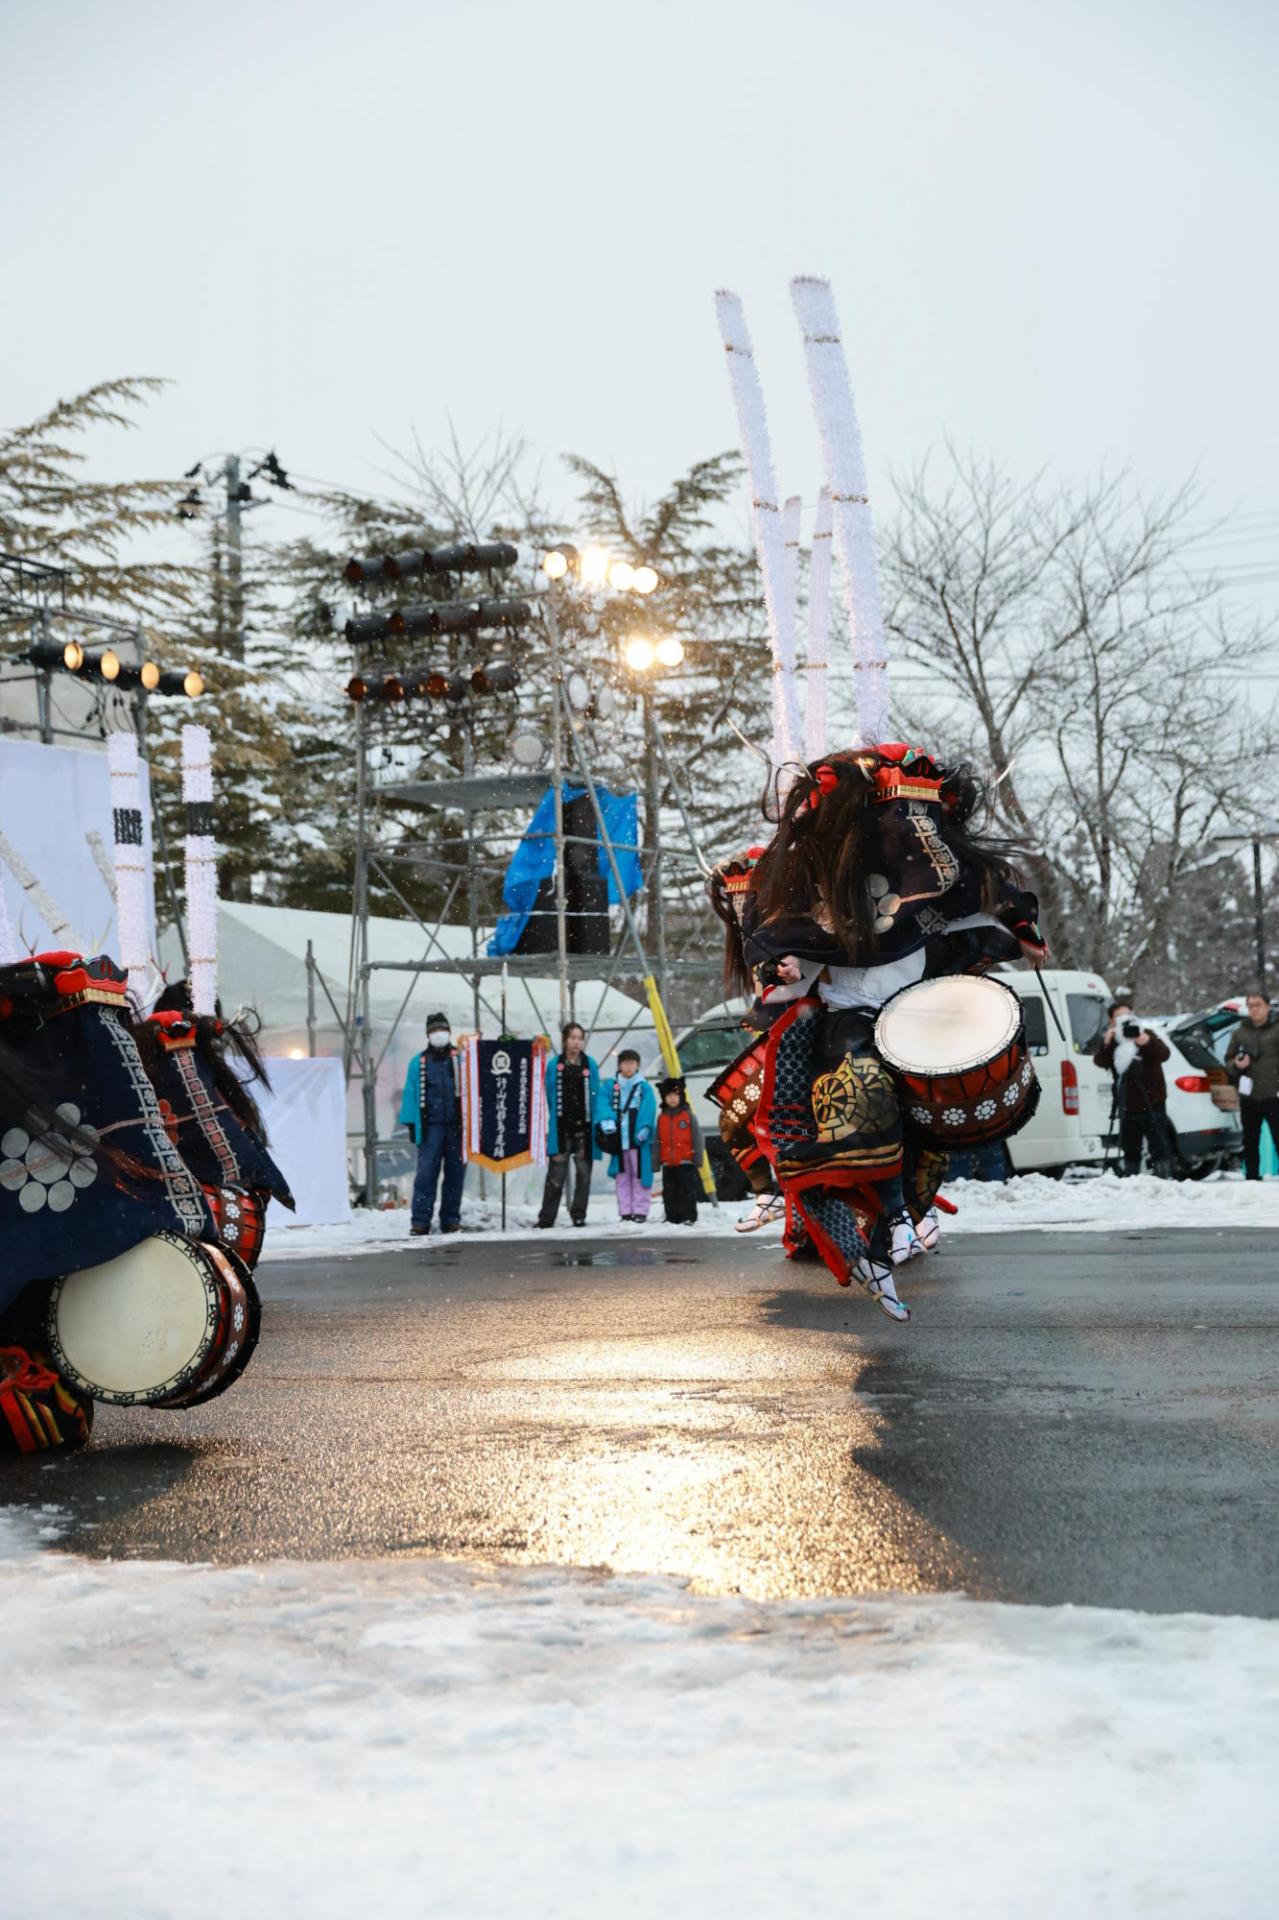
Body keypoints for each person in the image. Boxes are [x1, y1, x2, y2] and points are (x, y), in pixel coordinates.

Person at [744, 745, 1047, 1321]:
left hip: (915, 1016)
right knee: (866, 1098)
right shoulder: (817, 912)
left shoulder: (928, 899)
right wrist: (779, 973)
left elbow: (987, 905)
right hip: (848, 1024)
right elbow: (789, 969)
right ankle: (888, 1225)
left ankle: (903, 1219)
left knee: (925, 1130)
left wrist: (1022, 932)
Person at [1092, 1001, 1177, 1178]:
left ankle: (1163, 1179)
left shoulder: (1146, 1034)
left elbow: (1165, 1054)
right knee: (1130, 1147)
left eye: (1127, 1015)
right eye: (1119, 1017)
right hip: (1128, 1103)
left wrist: (1146, 1041)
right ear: (1112, 1021)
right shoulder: (1114, 1040)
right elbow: (1100, 1061)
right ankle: (1132, 1181)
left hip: (1153, 1100)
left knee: (1158, 1145)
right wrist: (1107, 1041)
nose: (1125, 1020)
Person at [398, 1012, 464, 1235]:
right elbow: (410, 1094)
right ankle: (420, 1220)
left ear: (449, 1032)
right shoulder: (418, 1062)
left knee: (455, 1174)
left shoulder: (461, 1059)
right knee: (426, 1174)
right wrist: (411, 1123)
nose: (439, 1035)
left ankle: (451, 1219)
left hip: (457, 1127)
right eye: (435, 1031)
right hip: (431, 1127)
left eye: (443, 1030)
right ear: (428, 1034)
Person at [537, 1022, 601, 1228]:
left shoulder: (589, 1064)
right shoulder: (555, 1064)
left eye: (580, 1038)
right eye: (573, 1037)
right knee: (556, 1175)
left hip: (584, 1126)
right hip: (562, 1127)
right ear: (565, 1040)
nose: (576, 1042)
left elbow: (595, 1092)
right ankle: (547, 1218)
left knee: (584, 1174)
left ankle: (579, 1214)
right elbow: (550, 1093)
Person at [596, 1049, 657, 1221]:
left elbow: (649, 1107)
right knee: (622, 1176)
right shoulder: (610, 1085)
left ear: (637, 1065)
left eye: (632, 1063)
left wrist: (645, 1128)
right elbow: (602, 1102)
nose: (628, 1067)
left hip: (637, 1136)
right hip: (618, 1137)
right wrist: (606, 1120)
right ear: (619, 1065)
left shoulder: (643, 1086)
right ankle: (625, 1211)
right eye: (625, 1063)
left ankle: (640, 1211)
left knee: (639, 1174)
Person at [1225, 990, 1279, 1181]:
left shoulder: (1276, 1028)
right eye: (1250, 1005)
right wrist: (1237, 1064)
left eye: (1258, 1005)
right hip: (1249, 1094)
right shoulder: (1240, 1032)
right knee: (1250, 1139)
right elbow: (1228, 1059)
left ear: (1267, 1006)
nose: (1254, 1009)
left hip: (1274, 1093)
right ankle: (1252, 1177)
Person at [656, 1076, 704, 1224]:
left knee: (687, 1190)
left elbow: (697, 1138)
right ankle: (672, 1216)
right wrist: (656, 1160)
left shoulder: (688, 1115)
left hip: (685, 1161)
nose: (672, 1099)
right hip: (668, 1163)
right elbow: (657, 1141)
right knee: (669, 1192)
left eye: (675, 1095)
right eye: (668, 1096)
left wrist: (698, 1157)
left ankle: (688, 1216)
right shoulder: (661, 1118)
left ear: (681, 1096)